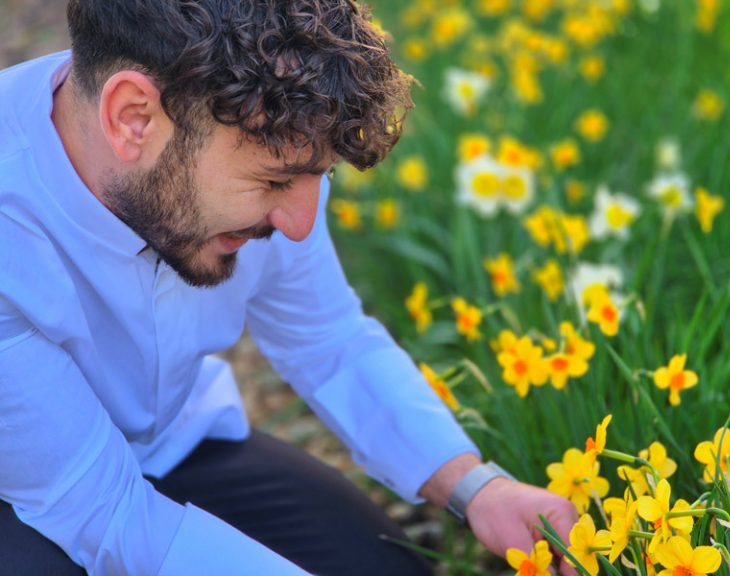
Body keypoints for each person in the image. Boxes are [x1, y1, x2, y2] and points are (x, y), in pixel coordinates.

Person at [0, 1, 579, 575]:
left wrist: (476, 488)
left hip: (170, 446)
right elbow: (105, 516)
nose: (299, 224)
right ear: (134, 118)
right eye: (275, 179)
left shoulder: (267, 143)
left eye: (317, 176)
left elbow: (328, 340)